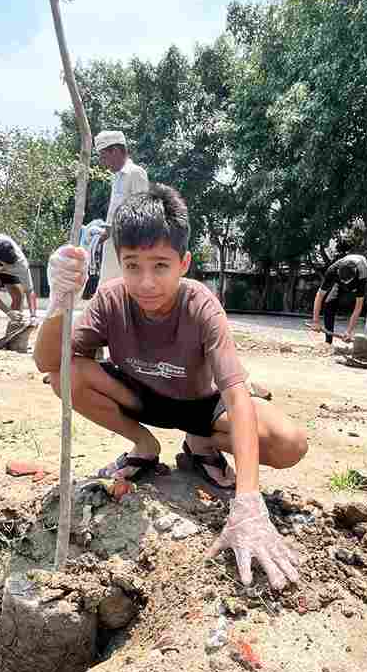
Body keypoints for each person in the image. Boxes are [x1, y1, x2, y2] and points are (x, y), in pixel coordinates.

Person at [34, 184, 308, 591]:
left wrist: (248, 502)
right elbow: (47, 361)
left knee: (290, 442)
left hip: (201, 404)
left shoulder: (200, 304)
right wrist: (60, 302)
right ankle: (144, 447)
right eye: (132, 266)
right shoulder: (110, 300)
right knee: (63, 376)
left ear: (184, 263)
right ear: (119, 263)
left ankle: (201, 448)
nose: (145, 282)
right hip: (141, 397)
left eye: (160, 266)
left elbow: (235, 392)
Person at [311, 251, 367, 348]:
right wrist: (315, 321)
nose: (347, 284)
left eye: (348, 281)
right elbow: (319, 296)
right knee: (329, 303)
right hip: (340, 282)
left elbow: (358, 307)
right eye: (344, 281)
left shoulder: (361, 275)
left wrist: (349, 331)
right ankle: (328, 342)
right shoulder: (332, 271)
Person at [94, 130, 149, 285]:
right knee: (108, 287)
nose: (103, 163)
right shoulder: (116, 177)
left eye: (104, 157)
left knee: (122, 287)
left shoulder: (136, 173)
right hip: (113, 243)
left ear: (116, 151)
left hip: (128, 244)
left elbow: (142, 212)